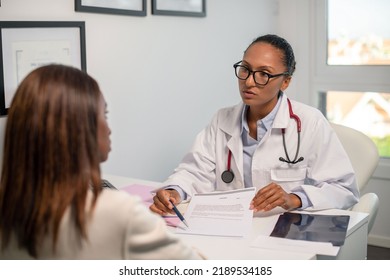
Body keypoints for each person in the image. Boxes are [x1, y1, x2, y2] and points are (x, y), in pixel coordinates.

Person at [0, 64, 203, 260]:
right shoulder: (118, 214)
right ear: (79, 129)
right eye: (104, 114)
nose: (109, 128)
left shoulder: (9, 209)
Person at [150, 34, 359, 216]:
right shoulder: (222, 119)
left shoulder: (310, 122)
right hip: (230, 227)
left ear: (285, 81)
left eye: (264, 74)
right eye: (246, 70)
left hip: (283, 230)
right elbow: (194, 171)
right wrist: (174, 191)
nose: (249, 82)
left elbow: (343, 189)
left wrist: (294, 198)